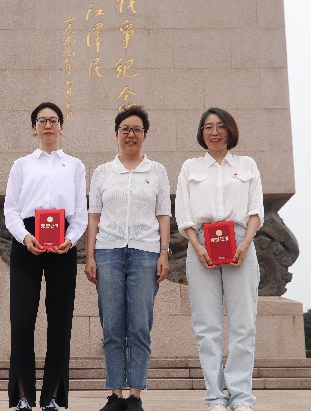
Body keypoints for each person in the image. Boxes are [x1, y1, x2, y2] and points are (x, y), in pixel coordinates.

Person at [175, 107, 263, 411]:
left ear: (230, 130)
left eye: (220, 126)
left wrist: (246, 243)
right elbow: (184, 211)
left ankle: (241, 397)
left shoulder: (247, 165)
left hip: (240, 241)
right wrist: (196, 246)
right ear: (202, 133)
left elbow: (255, 209)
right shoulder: (190, 167)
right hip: (201, 243)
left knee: (243, 324)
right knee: (206, 326)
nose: (214, 132)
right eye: (208, 127)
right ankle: (214, 396)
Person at [85, 106, 171, 411]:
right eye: (125, 129)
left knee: (139, 327)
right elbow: (94, 216)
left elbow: (163, 215)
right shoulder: (102, 172)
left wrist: (164, 252)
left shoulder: (157, 171)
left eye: (137, 129)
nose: (131, 135)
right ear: (116, 135)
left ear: (144, 135)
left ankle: (135, 394)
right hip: (107, 253)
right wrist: (90, 255)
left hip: (146, 254)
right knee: (112, 327)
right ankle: (115, 394)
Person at [4, 102, 88, 411]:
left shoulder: (75, 166)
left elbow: (80, 212)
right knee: (22, 319)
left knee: (60, 319)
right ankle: (23, 396)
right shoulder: (21, 165)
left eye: (53, 120)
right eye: (42, 121)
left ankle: (51, 395)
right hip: (27, 239)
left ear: (61, 127)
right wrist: (24, 237)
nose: (48, 125)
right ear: (34, 128)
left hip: (62, 241)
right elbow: (10, 209)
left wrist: (70, 239)